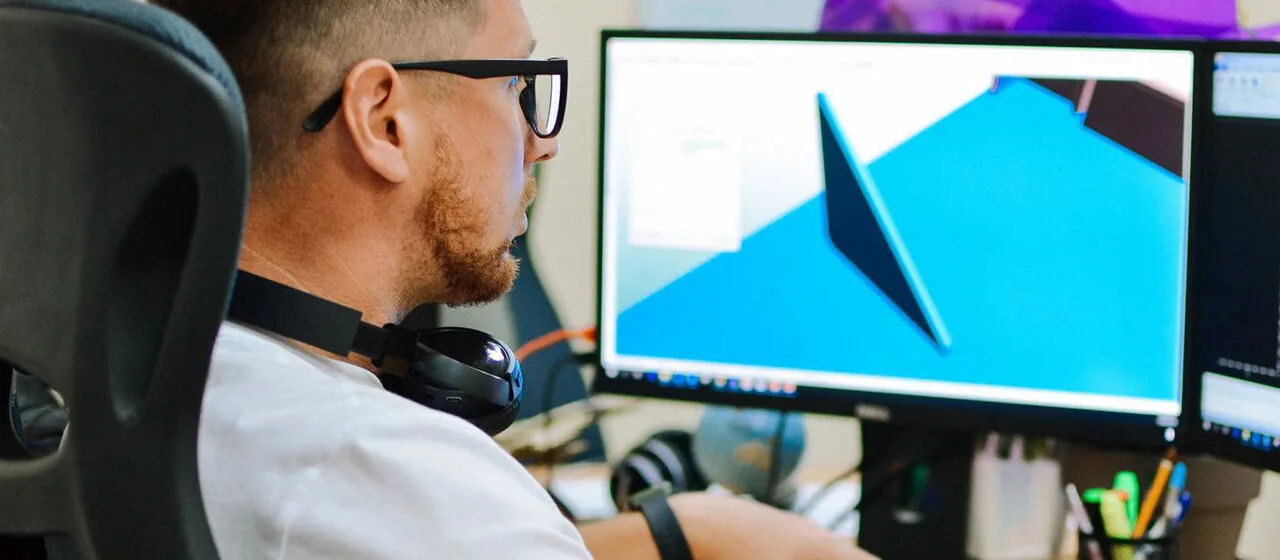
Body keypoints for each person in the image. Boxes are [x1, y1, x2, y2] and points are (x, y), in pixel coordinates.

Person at [146, 0, 875, 558]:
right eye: (516, 85)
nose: (542, 142)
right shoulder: (388, 468)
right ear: (384, 120)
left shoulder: (159, 376)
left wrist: (682, 529)